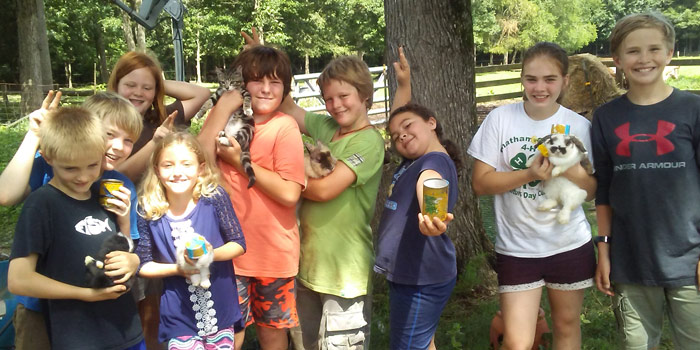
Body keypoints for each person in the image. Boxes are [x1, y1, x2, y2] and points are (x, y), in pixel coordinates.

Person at [468, 42, 597, 350]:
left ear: (565, 81)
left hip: (568, 243)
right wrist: (529, 174)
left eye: (550, 79)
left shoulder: (580, 125)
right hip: (517, 247)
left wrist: (566, 166)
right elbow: (480, 184)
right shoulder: (500, 119)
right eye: (531, 79)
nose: (540, 88)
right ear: (522, 79)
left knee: (566, 327)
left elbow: (591, 192)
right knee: (517, 341)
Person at [0, 91, 144, 349]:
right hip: (43, 309)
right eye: (110, 135)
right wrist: (34, 135)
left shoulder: (118, 186)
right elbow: (6, 194)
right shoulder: (52, 175)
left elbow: (126, 246)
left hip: (104, 320)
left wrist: (129, 247)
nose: (117, 147)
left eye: (128, 140)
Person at [592, 12, 700, 349]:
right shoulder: (606, 117)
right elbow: (604, 189)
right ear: (618, 59)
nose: (644, 59)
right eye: (633, 51)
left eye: (654, 49)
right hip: (631, 260)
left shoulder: (692, 109)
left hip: (690, 260)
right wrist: (605, 250)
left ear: (669, 53)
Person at [272, 54, 384, 349]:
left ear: (364, 95)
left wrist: (279, 181)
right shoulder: (327, 128)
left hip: (344, 275)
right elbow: (287, 106)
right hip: (308, 267)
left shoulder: (368, 142)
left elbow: (325, 191)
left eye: (343, 96)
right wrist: (270, 64)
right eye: (328, 98)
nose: (336, 105)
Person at [197, 45, 305, 350]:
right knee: (228, 334)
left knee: (272, 333)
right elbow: (199, 157)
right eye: (258, 80)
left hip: (273, 255)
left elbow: (289, 192)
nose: (267, 89)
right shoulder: (223, 119)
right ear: (243, 84)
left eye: (276, 82)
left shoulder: (285, 127)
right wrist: (220, 110)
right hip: (228, 253)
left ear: (285, 87)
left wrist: (237, 162)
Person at [135, 132, 246, 349]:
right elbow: (143, 265)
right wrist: (178, 269)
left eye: (186, 164)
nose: (178, 173)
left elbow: (239, 243)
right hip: (179, 313)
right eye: (168, 165)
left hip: (220, 306)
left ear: (201, 168)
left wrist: (210, 254)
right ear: (157, 170)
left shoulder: (214, 197)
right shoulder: (148, 209)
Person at [375, 101, 461, 350]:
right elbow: (401, 116)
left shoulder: (434, 160)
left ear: (431, 123)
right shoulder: (414, 161)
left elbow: (430, 179)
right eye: (394, 135)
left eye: (408, 125)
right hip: (412, 273)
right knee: (422, 344)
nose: (400, 134)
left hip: (420, 278)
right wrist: (403, 82)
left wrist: (432, 215)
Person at [108, 51, 211, 181]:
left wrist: (155, 80)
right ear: (116, 85)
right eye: (130, 85)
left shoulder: (163, 119)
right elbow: (116, 177)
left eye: (147, 88)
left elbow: (202, 94)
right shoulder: (104, 125)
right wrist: (155, 142)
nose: (138, 92)